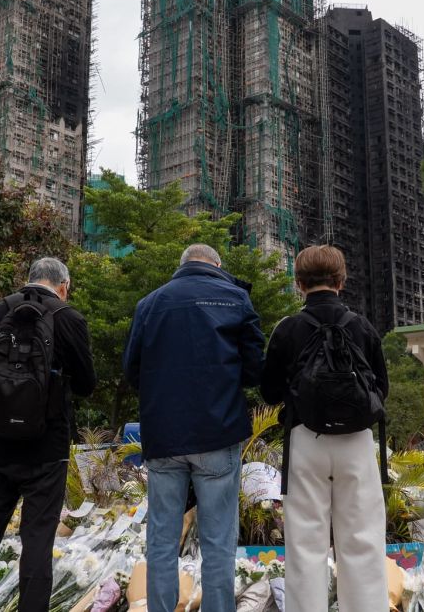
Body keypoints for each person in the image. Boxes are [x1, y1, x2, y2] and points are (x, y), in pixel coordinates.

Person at [124, 244, 265, 612]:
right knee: (218, 540)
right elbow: (255, 369)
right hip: (218, 432)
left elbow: (132, 372)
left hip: (164, 435)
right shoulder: (234, 299)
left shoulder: (149, 304)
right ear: (216, 265)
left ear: (181, 264)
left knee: (162, 538)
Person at [0, 257, 96, 612]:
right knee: (37, 538)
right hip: (46, 451)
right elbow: (86, 384)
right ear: (63, 286)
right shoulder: (68, 318)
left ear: (29, 279)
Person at [260, 245, 389, 612]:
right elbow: (381, 389)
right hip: (357, 443)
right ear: (341, 280)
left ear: (298, 283)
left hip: (305, 439)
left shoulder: (287, 328)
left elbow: (269, 393)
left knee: (305, 544)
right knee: (363, 540)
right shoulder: (362, 326)